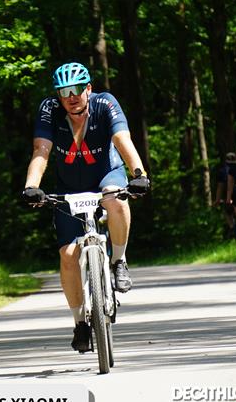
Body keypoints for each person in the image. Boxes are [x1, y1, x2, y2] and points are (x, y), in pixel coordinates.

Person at [22, 62, 150, 353]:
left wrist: (139, 174)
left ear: (88, 89)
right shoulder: (50, 110)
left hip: (106, 174)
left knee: (115, 198)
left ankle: (118, 261)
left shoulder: (105, 104)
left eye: (77, 89)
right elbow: (41, 149)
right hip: (69, 187)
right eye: (64, 91)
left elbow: (123, 140)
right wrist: (31, 186)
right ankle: (80, 322)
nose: (71, 96)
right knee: (68, 256)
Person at [214, 152, 236, 240]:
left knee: (227, 212)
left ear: (225, 160)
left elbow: (220, 187)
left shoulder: (222, 171)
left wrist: (217, 200)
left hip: (229, 197)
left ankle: (232, 227)